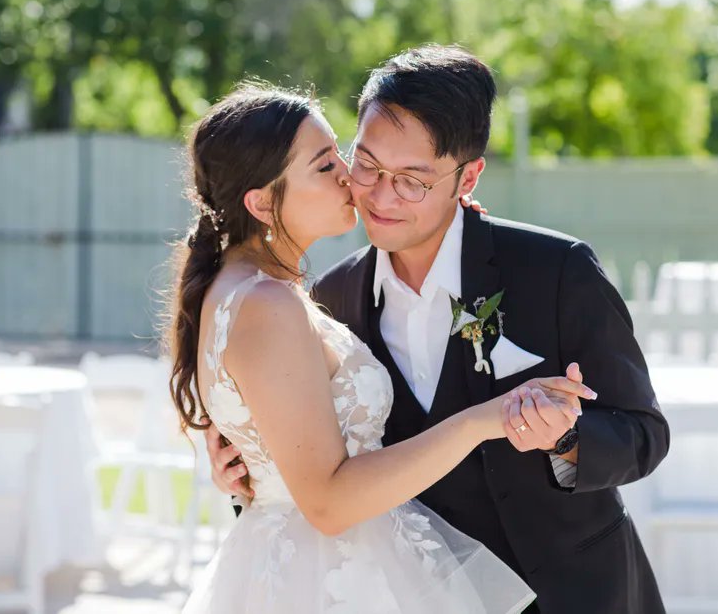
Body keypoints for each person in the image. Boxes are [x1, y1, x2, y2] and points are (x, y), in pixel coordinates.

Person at [205, 46, 670, 613]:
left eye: (411, 182)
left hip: (571, 592)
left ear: (467, 176)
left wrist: (567, 441)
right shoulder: (330, 298)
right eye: (368, 165)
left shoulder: (556, 270)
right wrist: (250, 470)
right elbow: (320, 475)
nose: (379, 195)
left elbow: (644, 432)